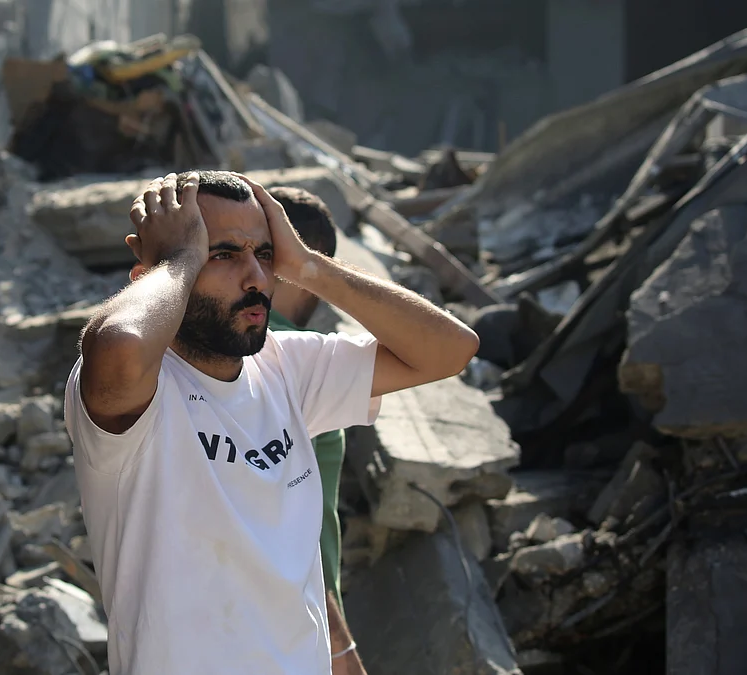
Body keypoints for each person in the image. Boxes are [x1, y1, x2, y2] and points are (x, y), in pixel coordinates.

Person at [64, 170, 479, 675]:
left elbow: (451, 350)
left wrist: (307, 266)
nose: (256, 279)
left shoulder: (289, 369)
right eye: (221, 254)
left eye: (262, 255)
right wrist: (177, 259)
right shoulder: (139, 392)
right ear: (150, 274)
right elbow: (121, 347)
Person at [264, 186, 363, 675]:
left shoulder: (220, 351)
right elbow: (280, 523)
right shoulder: (291, 361)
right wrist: (341, 650)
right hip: (296, 637)